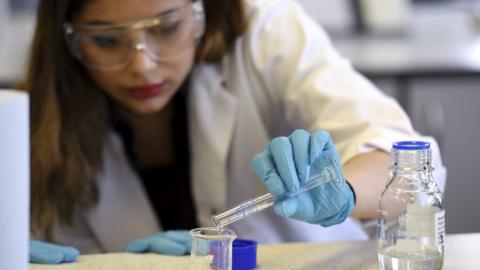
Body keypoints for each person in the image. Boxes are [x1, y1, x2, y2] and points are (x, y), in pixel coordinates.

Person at [24, 0, 446, 265]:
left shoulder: (265, 34)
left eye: (166, 28)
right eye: (106, 40)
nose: (142, 65)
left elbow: (400, 153)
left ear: (201, 12)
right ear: (69, 42)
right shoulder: (42, 119)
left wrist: (346, 191)